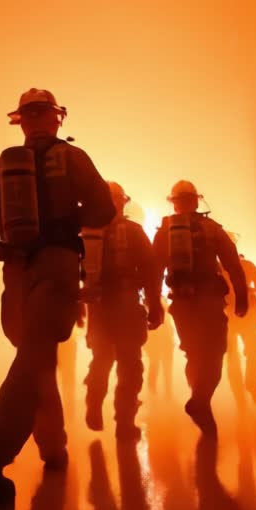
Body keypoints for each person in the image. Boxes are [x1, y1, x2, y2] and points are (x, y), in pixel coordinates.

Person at [0, 88, 115, 503]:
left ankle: (53, 448)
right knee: (33, 362)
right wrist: (64, 216)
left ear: (21, 122)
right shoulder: (72, 157)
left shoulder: (2, 165)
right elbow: (103, 211)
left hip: (16, 277)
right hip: (57, 267)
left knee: (36, 360)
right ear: (56, 118)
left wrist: (9, 215)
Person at [151, 180, 246, 437]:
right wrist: (242, 296)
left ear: (174, 204)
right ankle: (200, 400)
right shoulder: (212, 229)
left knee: (194, 354)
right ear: (195, 201)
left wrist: (154, 305)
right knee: (214, 354)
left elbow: (154, 271)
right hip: (210, 302)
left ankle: (199, 399)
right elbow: (232, 263)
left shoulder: (164, 232)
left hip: (181, 305)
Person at [81, 182, 164, 441]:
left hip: (97, 306)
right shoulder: (134, 231)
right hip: (127, 304)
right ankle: (124, 422)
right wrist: (154, 304)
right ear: (121, 201)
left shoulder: (85, 233)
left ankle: (94, 403)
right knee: (130, 364)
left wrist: (76, 306)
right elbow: (150, 270)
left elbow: (72, 270)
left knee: (101, 359)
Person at [222, 233, 256, 406]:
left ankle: (246, 391)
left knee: (241, 355)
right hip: (238, 316)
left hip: (235, 317)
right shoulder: (242, 266)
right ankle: (245, 392)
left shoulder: (222, 270)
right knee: (240, 355)